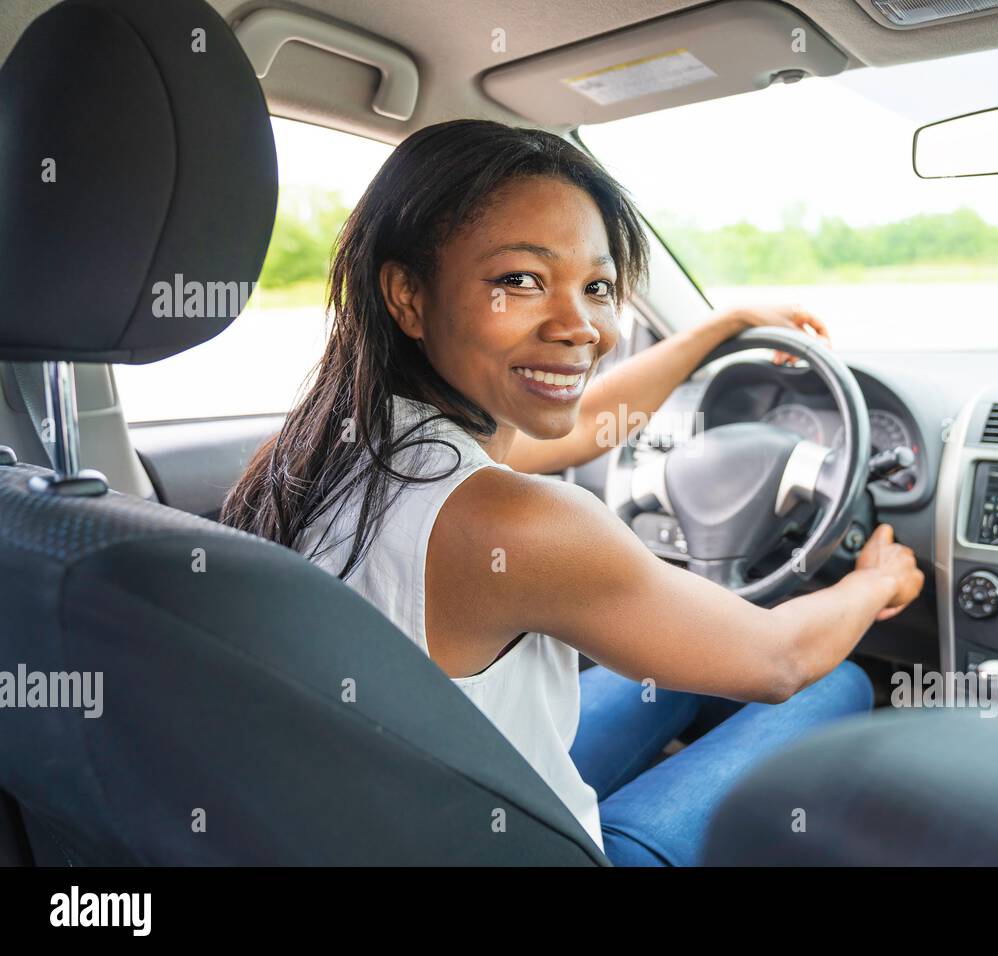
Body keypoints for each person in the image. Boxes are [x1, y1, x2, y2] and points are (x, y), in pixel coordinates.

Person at [221, 119, 924, 865]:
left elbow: (580, 424)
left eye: (597, 287)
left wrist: (723, 327)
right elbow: (777, 660)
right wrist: (873, 583)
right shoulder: (513, 522)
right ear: (408, 296)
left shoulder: (323, 446)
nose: (582, 328)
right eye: (519, 280)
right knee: (835, 682)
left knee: (678, 684)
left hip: (392, 810)